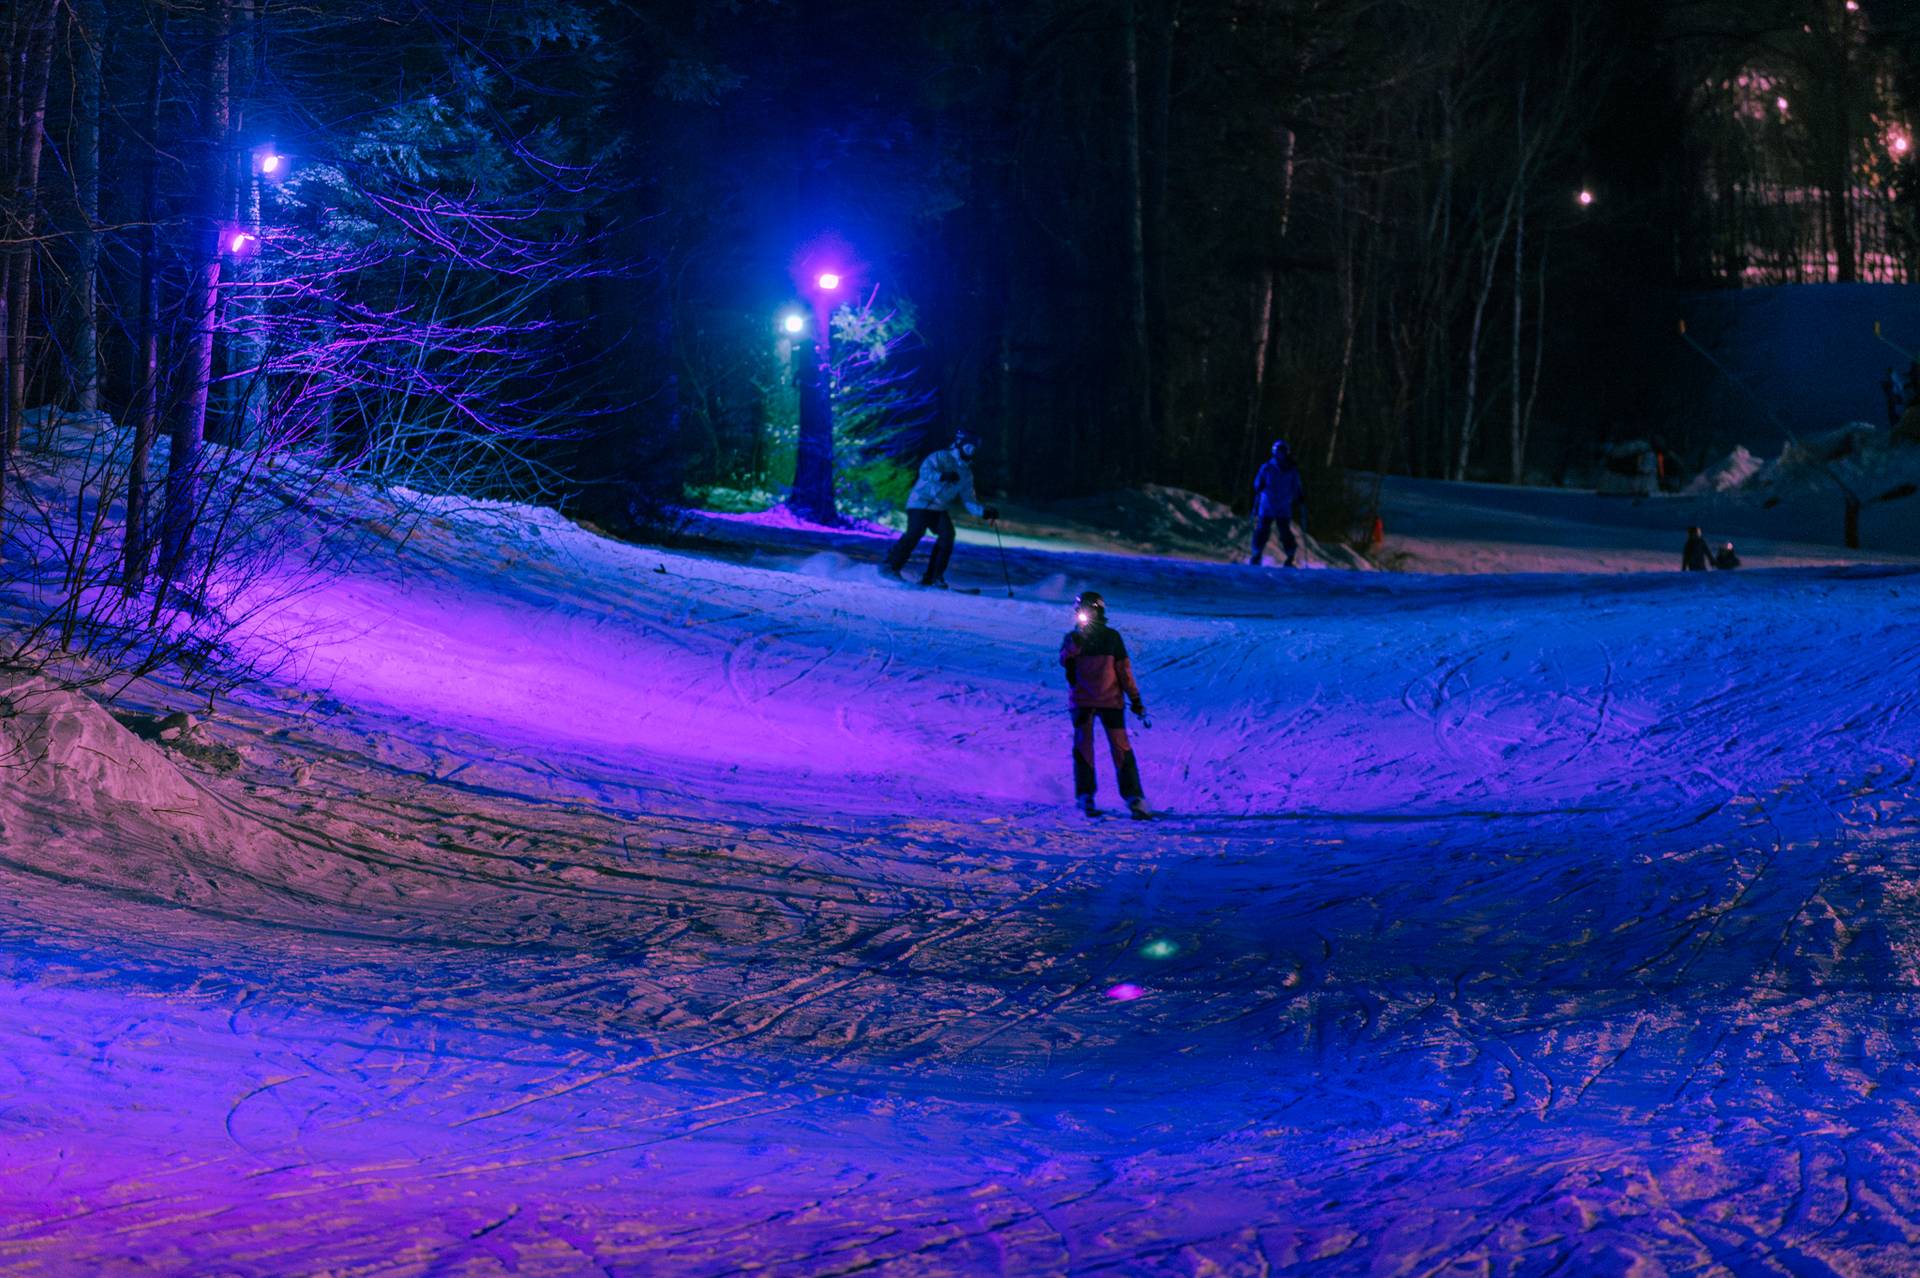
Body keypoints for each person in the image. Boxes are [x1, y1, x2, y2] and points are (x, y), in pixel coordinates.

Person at [1059, 591, 1151, 819]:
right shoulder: (1074, 638)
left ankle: (1134, 798)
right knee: (1085, 748)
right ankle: (1086, 796)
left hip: (1109, 701)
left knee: (1120, 749)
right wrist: (1073, 647)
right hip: (1083, 702)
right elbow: (1064, 661)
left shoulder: (1112, 638)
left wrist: (1135, 699)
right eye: (1082, 610)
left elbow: (1124, 671)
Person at [881, 430, 998, 588]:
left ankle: (933, 577)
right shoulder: (941, 457)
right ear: (960, 445)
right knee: (916, 532)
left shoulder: (966, 473)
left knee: (947, 535)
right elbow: (924, 472)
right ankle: (890, 566)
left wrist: (984, 512)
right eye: (969, 446)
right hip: (920, 503)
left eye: (974, 449)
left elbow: (969, 499)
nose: (971, 451)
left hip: (939, 508)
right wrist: (942, 476)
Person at [1250, 439, 1306, 567]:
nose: (1281, 455)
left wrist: (1300, 496)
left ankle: (1290, 556)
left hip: (1283, 506)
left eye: (1283, 452)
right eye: (1278, 452)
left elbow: (1296, 485)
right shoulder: (1267, 467)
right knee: (1262, 530)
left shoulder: (1292, 470)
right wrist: (1259, 486)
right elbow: (1258, 483)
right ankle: (1256, 554)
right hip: (1267, 505)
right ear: (1274, 453)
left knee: (1285, 532)